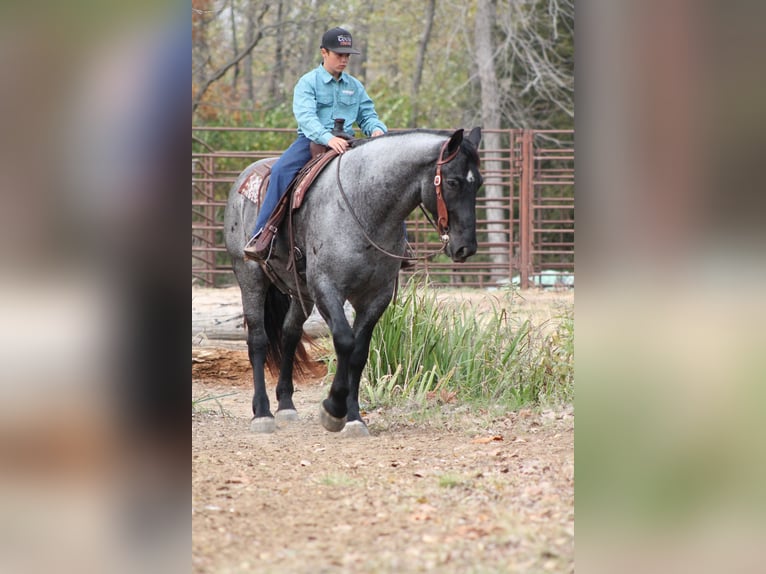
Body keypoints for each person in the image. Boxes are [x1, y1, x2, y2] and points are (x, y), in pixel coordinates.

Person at [244, 27, 387, 261]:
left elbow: (367, 115)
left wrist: (377, 130)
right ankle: (262, 235)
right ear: (324, 52)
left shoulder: (355, 86)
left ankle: (400, 245)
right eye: (339, 54)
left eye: (347, 55)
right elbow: (306, 117)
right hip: (312, 141)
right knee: (280, 171)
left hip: (349, 142)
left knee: (383, 177)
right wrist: (328, 138)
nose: (344, 59)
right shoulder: (308, 83)